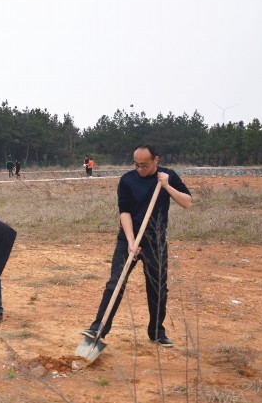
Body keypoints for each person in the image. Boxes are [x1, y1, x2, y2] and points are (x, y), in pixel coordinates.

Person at [81, 145, 192, 347]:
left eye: (145, 165)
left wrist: (167, 186)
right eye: (136, 164)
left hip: (155, 241)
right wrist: (132, 243)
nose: (140, 169)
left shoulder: (168, 176)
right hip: (128, 239)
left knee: (158, 288)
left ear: (156, 160)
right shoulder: (127, 180)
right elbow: (125, 212)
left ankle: (157, 332)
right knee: (116, 282)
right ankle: (98, 329)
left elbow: (187, 202)